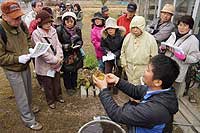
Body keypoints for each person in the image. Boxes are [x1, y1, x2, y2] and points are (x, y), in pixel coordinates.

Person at [93, 54, 180, 133]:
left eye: (148, 70)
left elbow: (116, 114)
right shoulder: (159, 90)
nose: (144, 71)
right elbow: (135, 90)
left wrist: (103, 89)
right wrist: (117, 80)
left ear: (157, 82)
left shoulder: (153, 111)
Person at [0, 0, 42, 130]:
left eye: (19, 16)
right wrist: (17, 59)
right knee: (21, 95)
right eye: (15, 17)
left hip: (25, 64)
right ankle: (28, 119)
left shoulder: (21, 24)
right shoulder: (1, 31)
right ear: (4, 16)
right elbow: (1, 57)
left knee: (28, 89)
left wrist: (30, 49)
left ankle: (29, 108)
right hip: (13, 68)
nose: (18, 19)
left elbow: (28, 37)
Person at [31, 10, 64, 109]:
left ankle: (58, 96)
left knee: (57, 81)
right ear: (40, 23)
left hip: (57, 61)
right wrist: (54, 59)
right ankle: (50, 101)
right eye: (46, 23)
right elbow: (42, 52)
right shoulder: (36, 34)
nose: (48, 24)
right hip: (45, 64)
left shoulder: (53, 30)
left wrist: (59, 56)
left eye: (49, 22)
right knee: (48, 83)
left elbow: (58, 44)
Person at [162, 15, 200, 98]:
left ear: (190, 27)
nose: (181, 28)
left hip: (178, 71)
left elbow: (196, 58)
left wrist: (185, 58)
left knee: (172, 95)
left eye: (185, 25)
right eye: (180, 25)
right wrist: (163, 48)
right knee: (163, 91)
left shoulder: (193, 40)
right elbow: (167, 47)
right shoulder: (173, 35)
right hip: (166, 68)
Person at [120, 16, 158, 85]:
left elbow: (154, 57)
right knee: (131, 87)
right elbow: (123, 51)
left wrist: (150, 70)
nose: (135, 30)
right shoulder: (128, 37)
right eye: (133, 27)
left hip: (143, 69)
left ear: (142, 27)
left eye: (137, 28)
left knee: (141, 88)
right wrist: (124, 65)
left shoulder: (150, 39)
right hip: (129, 68)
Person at [56, 12, 84, 96]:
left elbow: (80, 40)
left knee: (75, 70)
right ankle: (68, 87)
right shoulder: (59, 30)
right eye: (67, 22)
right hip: (66, 54)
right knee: (67, 72)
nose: (69, 24)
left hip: (75, 53)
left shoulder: (77, 29)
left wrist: (79, 44)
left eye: (71, 22)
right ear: (64, 21)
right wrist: (65, 46)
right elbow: (57, 43)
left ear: (74, 22)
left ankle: (74, 85)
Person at [101, 17, 126, 94]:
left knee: (117, 73)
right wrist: (107, 51)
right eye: (108, 29)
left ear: (115, 28)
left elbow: (123, 47)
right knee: (107, 72)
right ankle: (107, 89)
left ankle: (116, 89)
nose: (110, 30)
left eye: (112, 28)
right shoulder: (104, 37)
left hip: (118, 56)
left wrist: (116, 54)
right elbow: (103, 46)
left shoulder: (121, 36)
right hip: (108, 57)